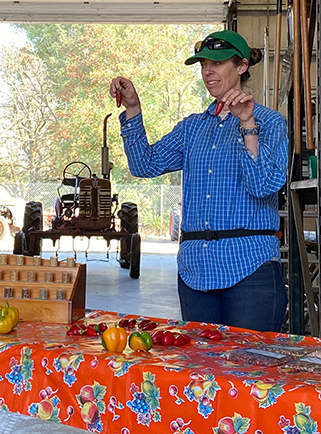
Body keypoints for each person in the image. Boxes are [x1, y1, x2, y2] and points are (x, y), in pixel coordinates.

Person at [110, 30, 288, 332]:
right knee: (201, 371)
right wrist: (133, 109)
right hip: (196, 272)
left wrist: (247, 124)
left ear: (242, 66)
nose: (208, 71)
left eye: (217, 63)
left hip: (250, 269)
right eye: (204, 64)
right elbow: (144, 164)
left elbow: (263, 186)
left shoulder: (269, 122)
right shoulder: (192, 127)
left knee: (247, 371)